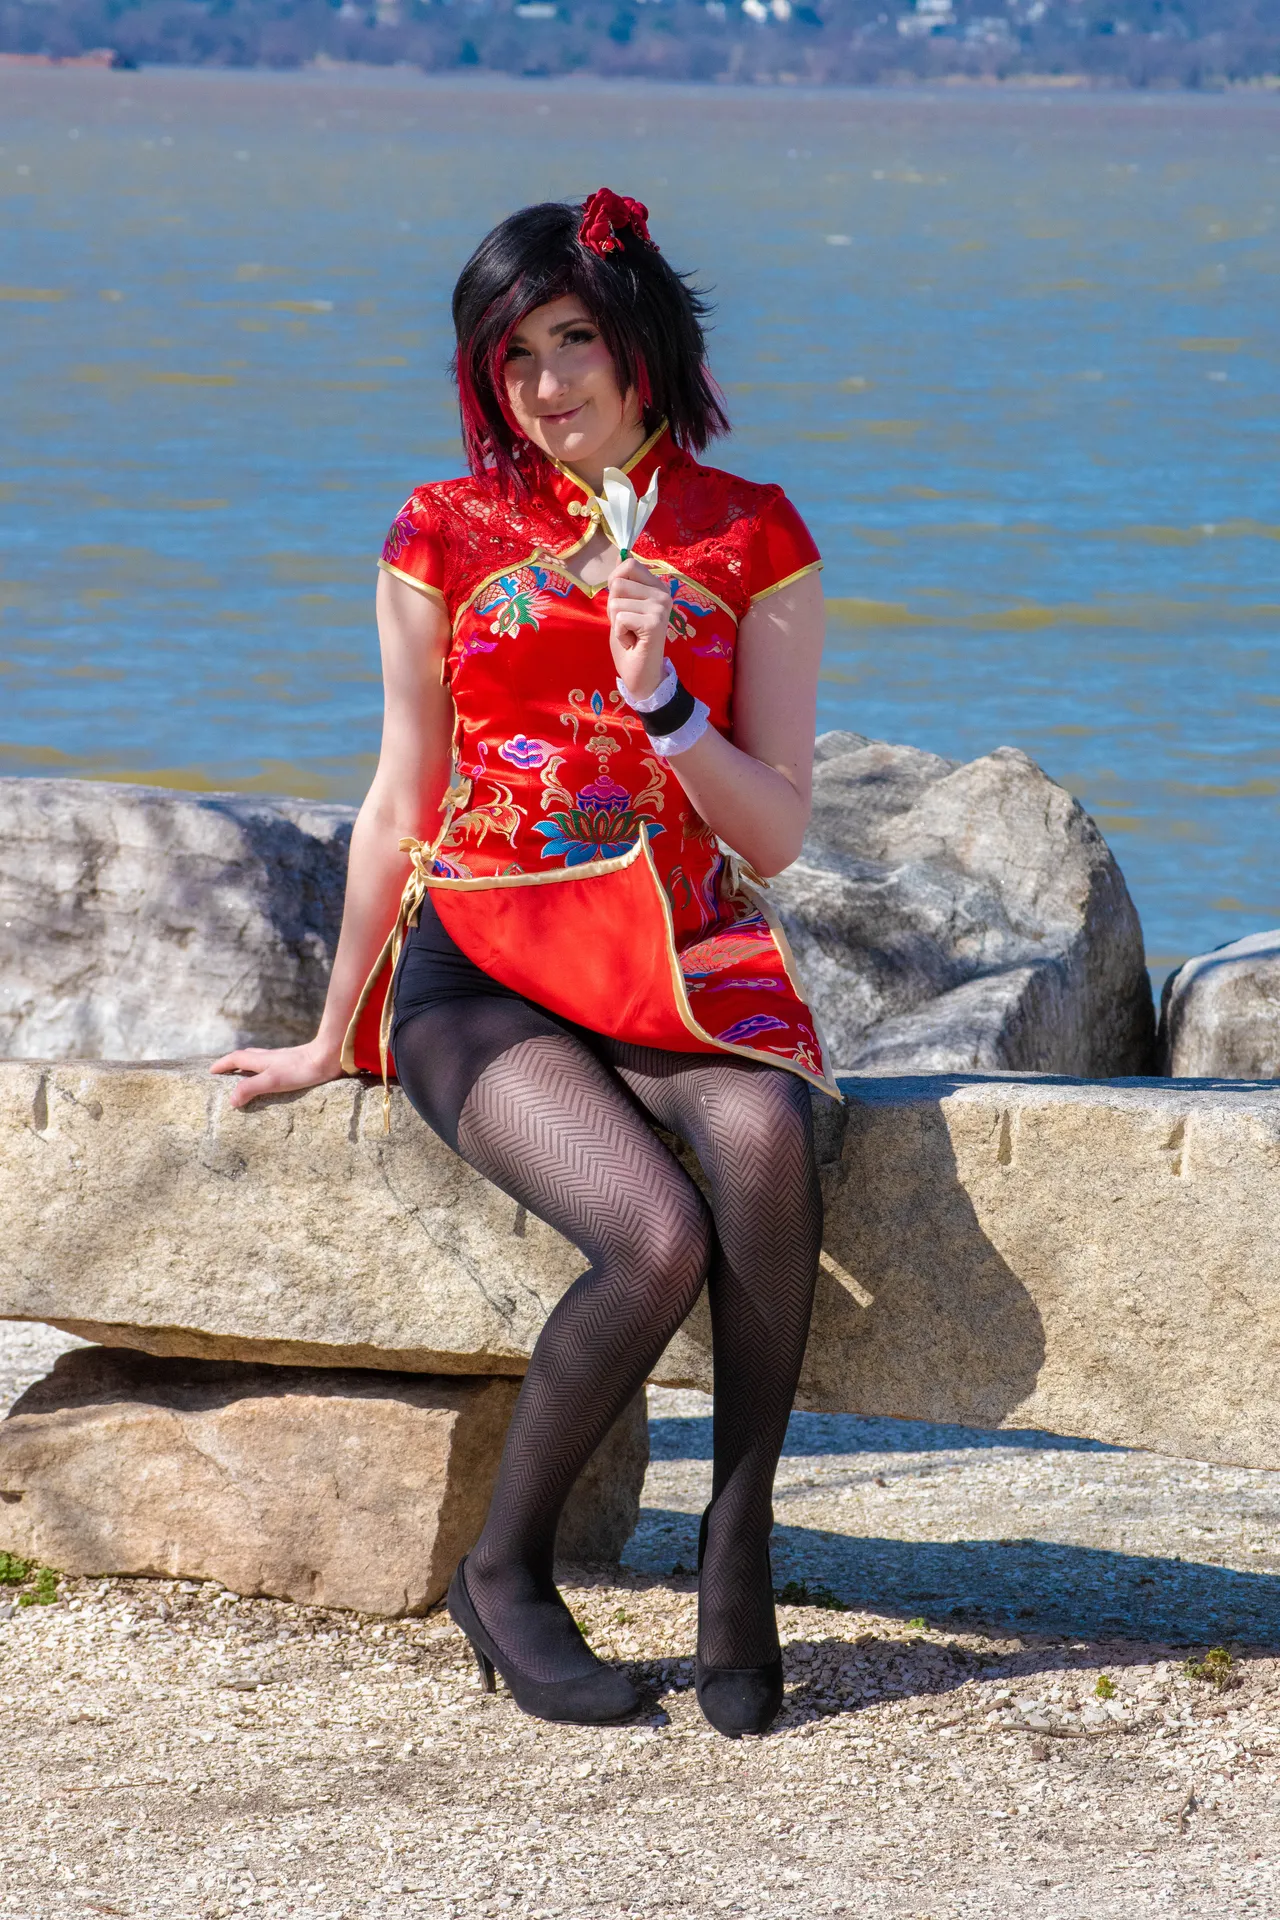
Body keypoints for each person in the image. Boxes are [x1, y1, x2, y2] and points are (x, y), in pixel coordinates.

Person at [212, 188, 834, 1739]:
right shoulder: (442, 530)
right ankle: (503, 1572)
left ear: (641, 344)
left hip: (676, 959)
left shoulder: (749, 535)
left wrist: (666, 703)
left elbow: (778, 835)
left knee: (765, 1138)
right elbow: (399, 797)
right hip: (483, 970)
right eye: (512, 358)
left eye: (573, 342)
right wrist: (330, 1034)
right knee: (654, 1236)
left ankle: (738, 1542)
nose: (547, 386)